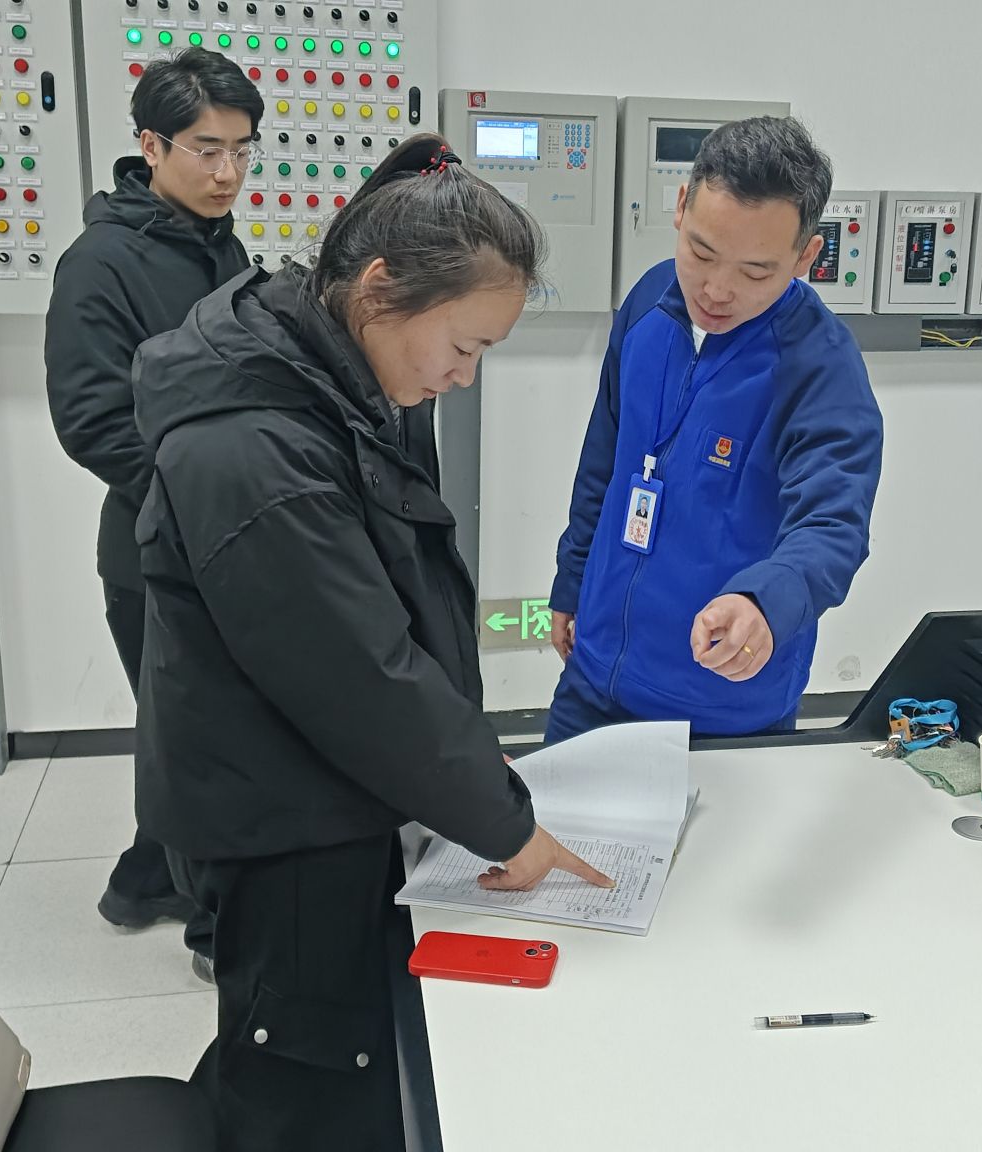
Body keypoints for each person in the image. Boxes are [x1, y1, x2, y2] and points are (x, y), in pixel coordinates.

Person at [130, 134, 612, 1152]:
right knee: (298, 1074)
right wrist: (505, 825)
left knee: (347, 1052)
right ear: (381, 288)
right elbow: (360, 675)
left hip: (324, 783)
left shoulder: (329, 366)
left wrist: (468, 779)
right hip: (278, 817)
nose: (464, 377)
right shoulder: (255, 446)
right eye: (464, 347)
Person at [545, 117, 884, 743]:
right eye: (701, 253)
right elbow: (604, 460)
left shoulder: (819, 367)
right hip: (592, 685)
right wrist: (572, 581)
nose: (717, 290)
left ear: (805, 257)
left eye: (755, 272)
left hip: (723, 714)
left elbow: (833, 524)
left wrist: (766, 601)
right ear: (681, 207)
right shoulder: (649, 302)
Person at [44, 46, 263, 981]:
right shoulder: (101, 263)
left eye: (242, 151)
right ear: (150, 145)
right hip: (157, 551)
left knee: (196, 735)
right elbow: (91, 420)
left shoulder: (221, 247)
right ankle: (220, 932)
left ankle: (147, 881)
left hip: (228, 539)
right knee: (207, 744)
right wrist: (201, 497)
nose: (227, 172)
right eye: (207, 150)